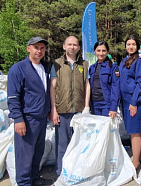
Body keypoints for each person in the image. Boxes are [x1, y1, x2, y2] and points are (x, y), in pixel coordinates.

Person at [7, 37, 53, 186]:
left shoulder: (45, 67)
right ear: (28, 48)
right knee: (24, 154)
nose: (39, 51)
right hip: (27, 119)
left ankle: (34, 179)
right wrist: (18, 119)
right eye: (36, 47)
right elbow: (13, 96)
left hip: (41, 118)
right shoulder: (18, 68)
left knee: (37, 152)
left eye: (42, 48)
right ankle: (24, 182)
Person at [49, 36, 89, 177]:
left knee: (79, 142)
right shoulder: (56, 64)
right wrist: (53, 109)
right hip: (62, 110)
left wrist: (86, 106)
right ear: (64, 46)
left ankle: (76, 170)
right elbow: (52, 87)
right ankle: (61, 172)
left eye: (75, 45)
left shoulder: (84, 64)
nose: (72, 47)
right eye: (69, 44)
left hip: (79, 110)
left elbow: (87, 85)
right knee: (62, 143)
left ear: (79, 47)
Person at [119, 35, 141, 170]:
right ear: (125, 46)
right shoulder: (124, 61)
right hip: (125, 101)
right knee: (132, 130)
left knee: (135, 131)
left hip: (134, 101)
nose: (131, 46)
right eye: (128, 44)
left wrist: (134, 102)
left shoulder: (139, 62)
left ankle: (136, 163)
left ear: (137, 46)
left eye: (133, 44)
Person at [86, 41, 120, 118]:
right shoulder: (92, 68)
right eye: (98, 50)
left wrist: (113, 107)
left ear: (107, 52)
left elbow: (116, 88)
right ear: (94, 51)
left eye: (104, 51)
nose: (101, 53)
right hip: (94, 105)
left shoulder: (113, 67)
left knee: (106, 129)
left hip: (106, 105)